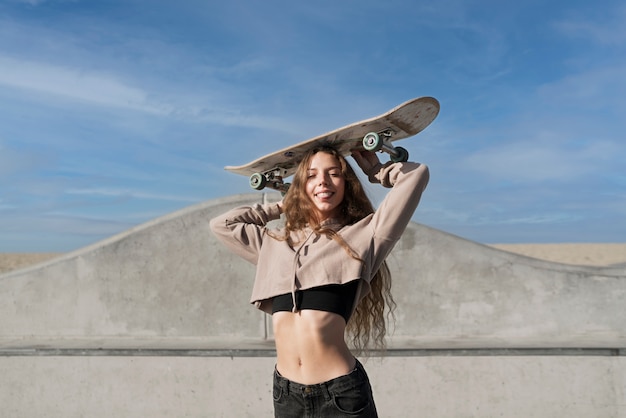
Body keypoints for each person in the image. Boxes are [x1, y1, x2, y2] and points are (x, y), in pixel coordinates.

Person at [210, 146, 429, 417]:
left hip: (341, 393)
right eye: (312, 176)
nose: (323, 181)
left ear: (346, 184)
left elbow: (416, 175)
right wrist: (281, 205)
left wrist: (376, 171)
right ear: (301, 186)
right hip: (286, 392)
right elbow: (222, 225)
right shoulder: (274, 243)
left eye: (333, 174)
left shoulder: (366, 235)